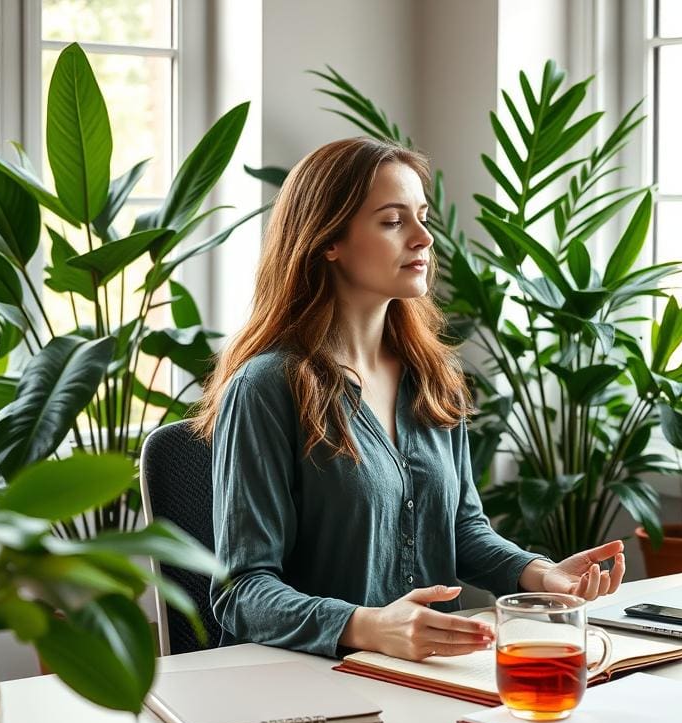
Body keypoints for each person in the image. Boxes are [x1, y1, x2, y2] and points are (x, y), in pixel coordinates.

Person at [194, 136, 626, 662]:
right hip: (310, 683)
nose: (424, 238)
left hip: (429, 679)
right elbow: (243, 591)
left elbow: (461, 530)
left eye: (422, 217)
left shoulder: (433, 376)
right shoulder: (265, 388)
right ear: (328, 240)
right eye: (393, 221)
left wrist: (538, 573)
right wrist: (368, 626)